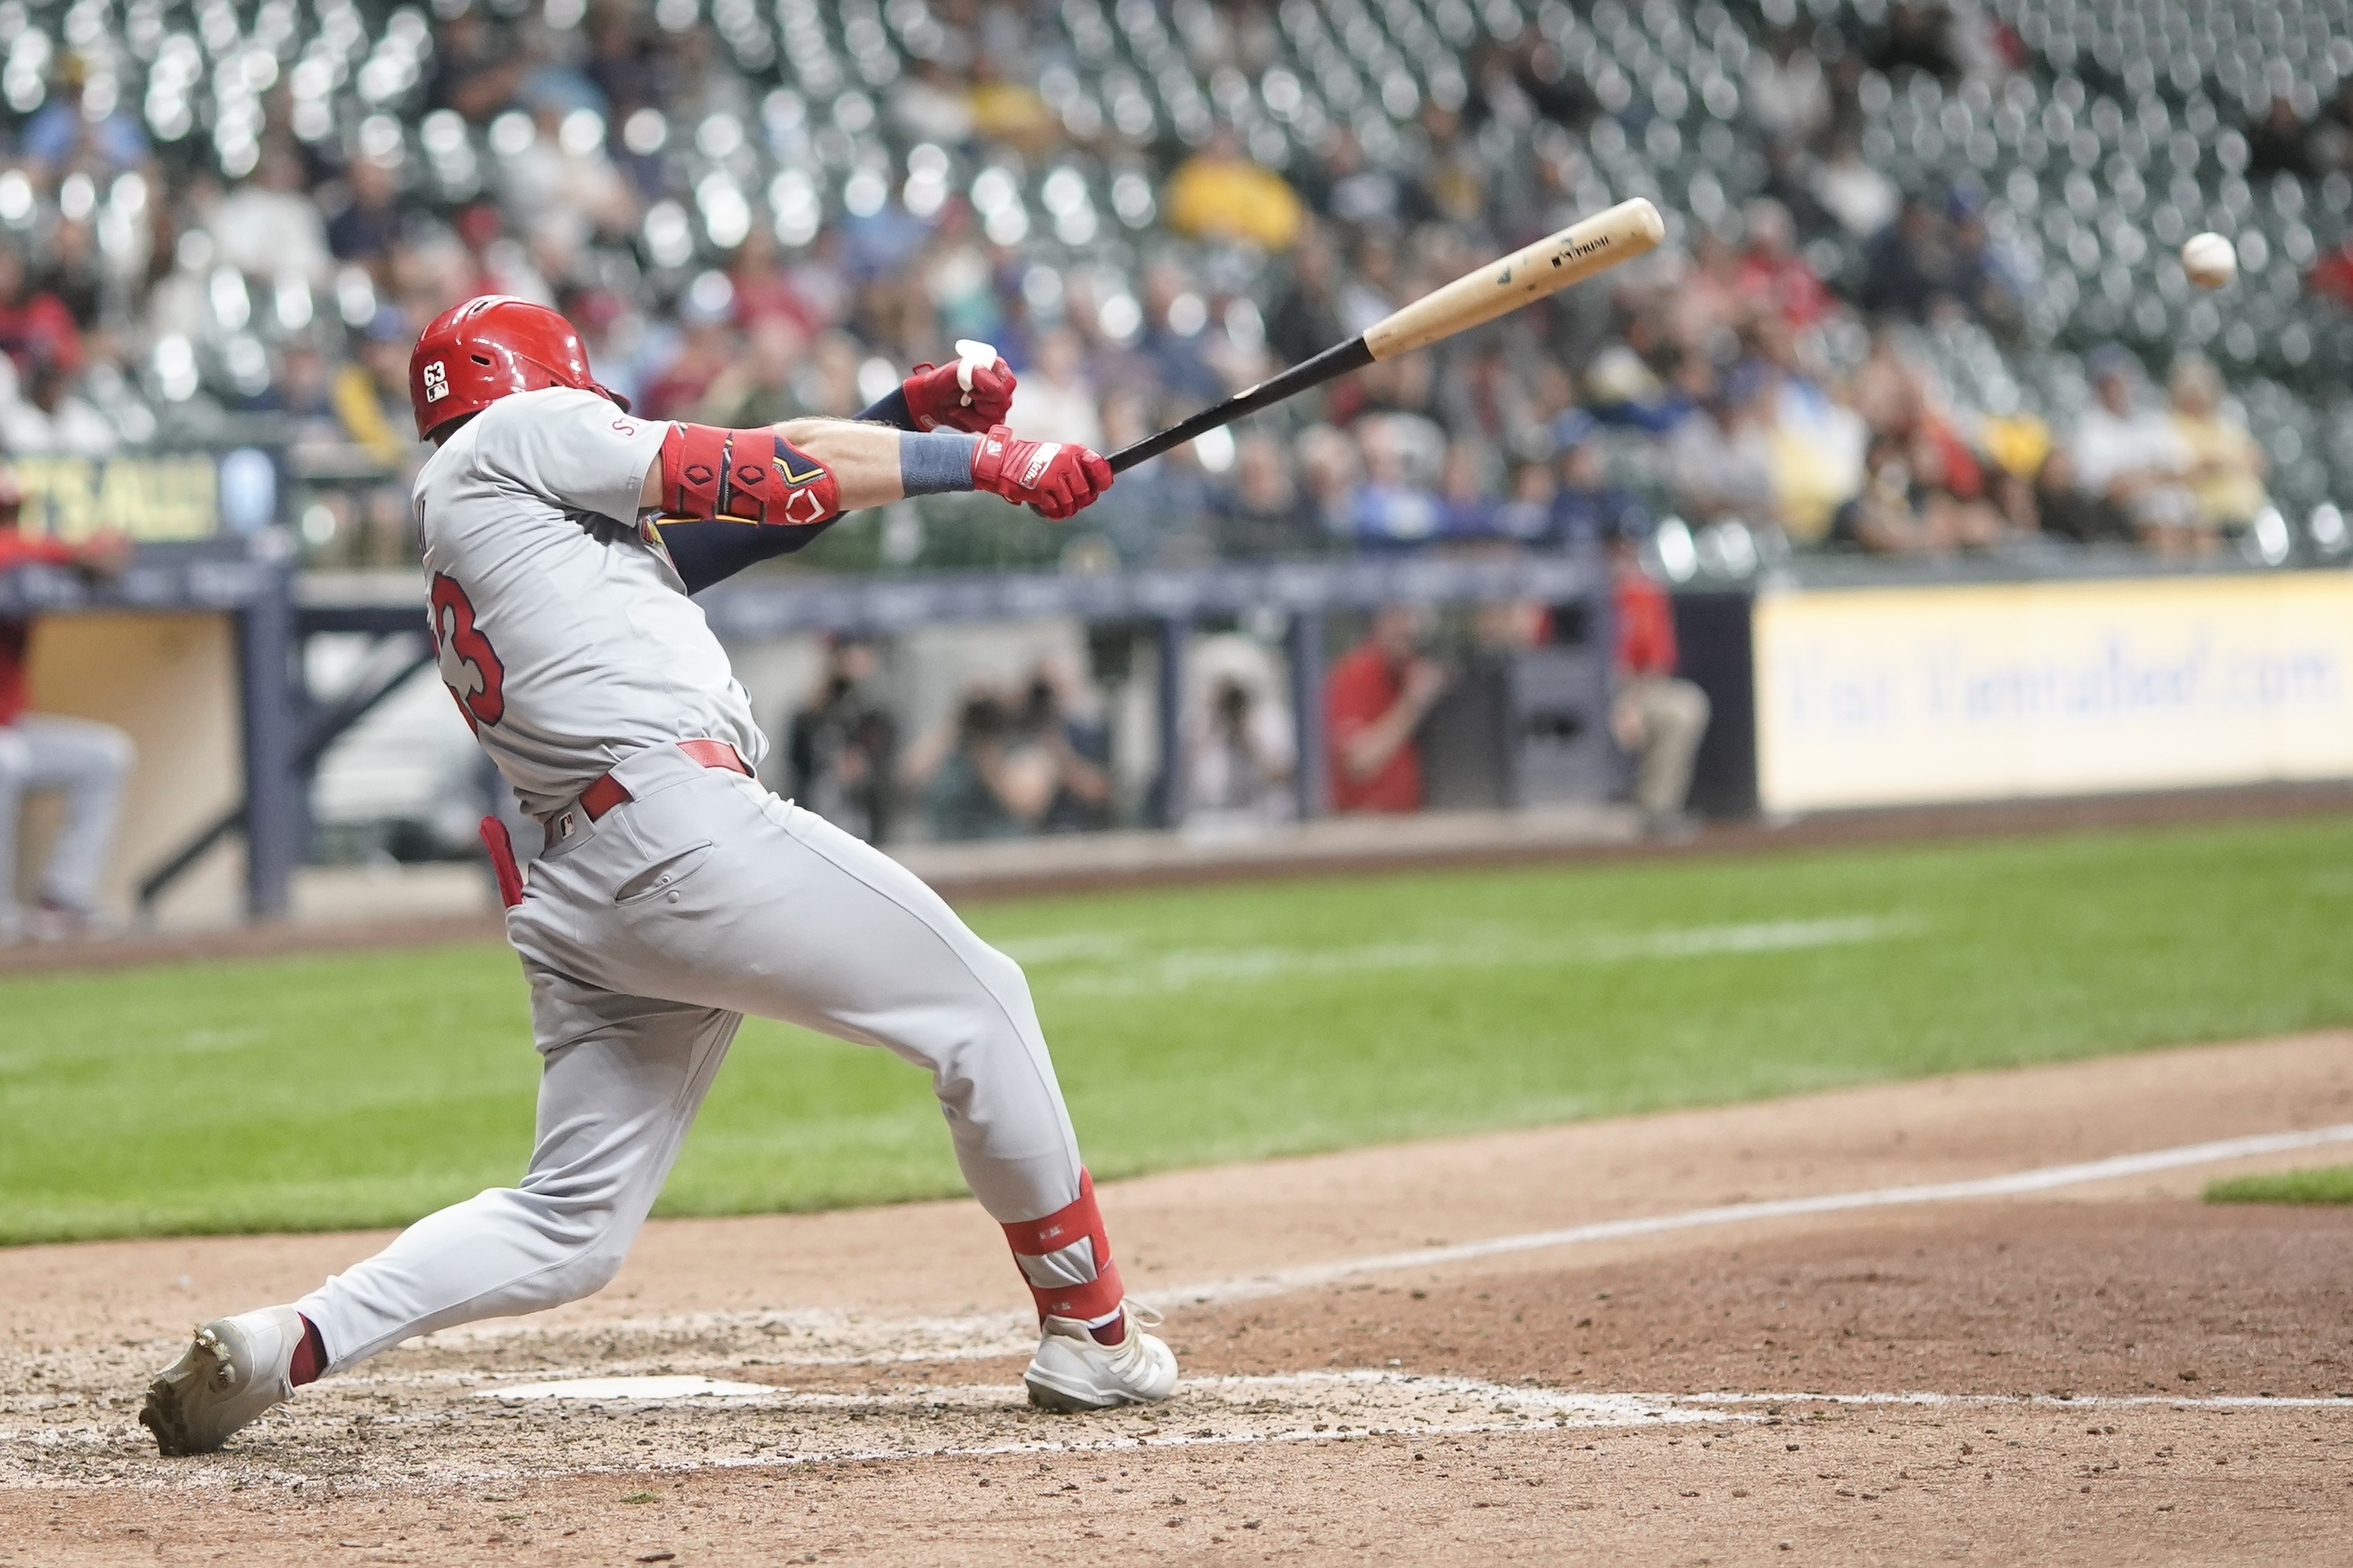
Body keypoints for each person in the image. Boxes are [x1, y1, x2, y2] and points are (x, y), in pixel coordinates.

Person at [138, 295, 1172, 1458]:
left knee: (568, 1221)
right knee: (982, 1005)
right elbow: (773, 474)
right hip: (674, 832)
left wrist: (902, 414)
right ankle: (1090, 1332)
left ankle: (284, 1342)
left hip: (577, 883)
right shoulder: (517, 437)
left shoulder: (499, 509)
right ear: (545, 380)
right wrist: (987, 461)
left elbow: (749, 524)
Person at [0, 469, 134, 942]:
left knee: (105, 755)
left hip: (10, 725)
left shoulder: (28, 553)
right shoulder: (23, 552)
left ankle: (65, 895)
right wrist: (74, 552)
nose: (10, 524)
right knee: (6, 762)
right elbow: (11, 550)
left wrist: (90, 549)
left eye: (14, 513)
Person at [1608, 529, 1710, 835]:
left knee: (1687, 706)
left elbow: (1655, 662)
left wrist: (1632, 705)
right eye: (1617, 546)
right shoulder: (1585, 588)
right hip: (1590, 692)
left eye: (1630, 546)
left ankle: (1657, 809)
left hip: (1633, 689)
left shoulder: (1644, 594)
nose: (1625, 553)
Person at [2072, 347, 2201, 556]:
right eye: (2108, 383)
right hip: (2120, 521)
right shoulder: (2090, 430)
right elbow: (2111, 489)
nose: (2116, 389)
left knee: (2203, 531)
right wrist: (2160, 476)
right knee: (2161, 534)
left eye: (2120, 380)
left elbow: (2189, 471)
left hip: (2173, 515)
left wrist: (2143, 478)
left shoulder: (2151, 420)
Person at [1324, 604, 1448, 815]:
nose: (1408, 628)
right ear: (1376, 623)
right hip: (1365, 825)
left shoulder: (1416, 669)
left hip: (1416, 820)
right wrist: (1411, 702)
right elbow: (1359, 763)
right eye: (1397, 618)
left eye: (1411, 618)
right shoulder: (1354, 674)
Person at [781, 635, 897, 844]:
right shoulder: (808, 717)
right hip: (815, 824)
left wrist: (863, 769)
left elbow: (887, 774)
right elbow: (796, 766)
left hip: (866, 826)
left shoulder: (877, 718)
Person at [2166, 354, 2270, 535]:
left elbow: (2257, 462)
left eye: (2207, 386)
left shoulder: (2227, 424)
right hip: (2203, 520)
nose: (2202, 393)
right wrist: (2218, 466)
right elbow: (2180, 473)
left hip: (2249, 516)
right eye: (2195, 387)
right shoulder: (2169, 427)